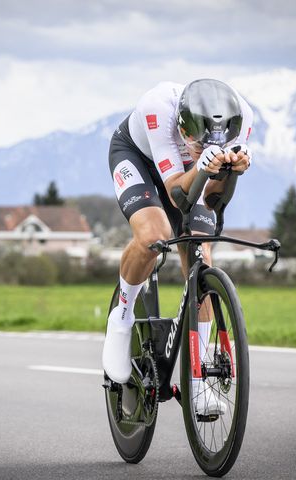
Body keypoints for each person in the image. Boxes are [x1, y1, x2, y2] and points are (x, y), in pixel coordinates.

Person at [102, 78, 253, 414]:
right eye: (196, 143)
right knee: (153, 236)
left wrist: (232, 172)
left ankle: (198, 379)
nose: (202, 148)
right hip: (139, 158)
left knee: (202, 251)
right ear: (183, 129)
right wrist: (201, 163)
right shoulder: (159, 109)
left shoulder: (243, 118)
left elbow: (211, 201)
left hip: (189, 172)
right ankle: (122, 318)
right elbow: (176, 193)